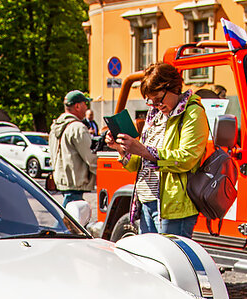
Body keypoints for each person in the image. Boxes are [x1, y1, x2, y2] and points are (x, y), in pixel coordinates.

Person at [106, 62, 209, 237]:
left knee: (170, 260)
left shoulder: (192, 113)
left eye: (158, 98)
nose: (155, 105)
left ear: (173, 87)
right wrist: (122, 149)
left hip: (174, 205)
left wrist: (144, 151)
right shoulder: (155, 116)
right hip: (147, 200)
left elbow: (187, 158)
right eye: (150, 101)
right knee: (150, 260)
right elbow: (138, 164)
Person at [50, 90, 98, 205]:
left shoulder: (55, 126)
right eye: (85, 104)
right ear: (77, 106)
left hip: (62, 180)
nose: (86, 107)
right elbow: (91, 157)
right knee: (71, 219)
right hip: (75, 182)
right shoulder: (78, 128)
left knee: (69, 215)